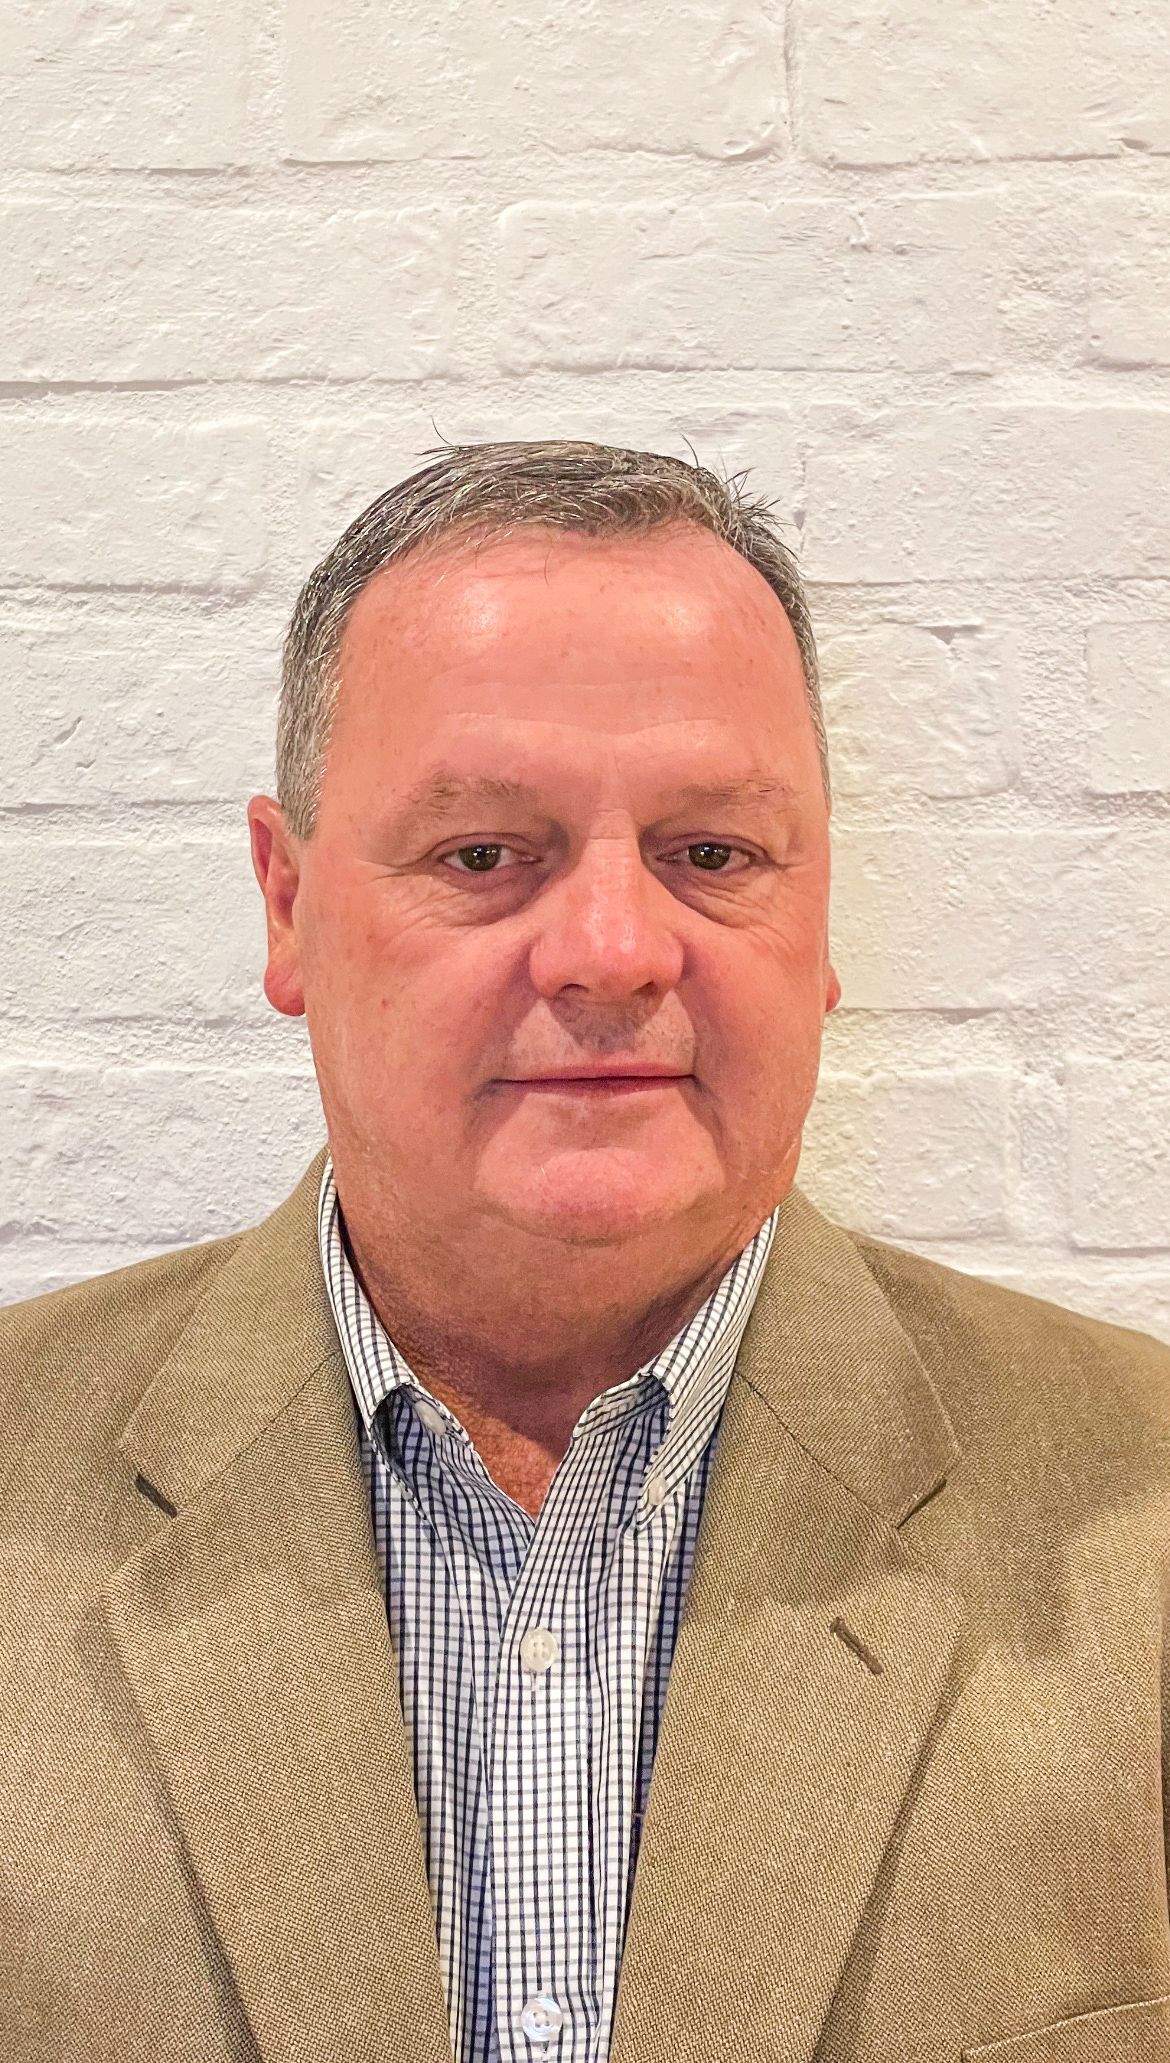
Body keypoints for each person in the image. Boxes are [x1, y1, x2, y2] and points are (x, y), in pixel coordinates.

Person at [2, 440, 1168, 2063]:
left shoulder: (1139, 1515)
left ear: (818, 909)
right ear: (285, 905)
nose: (614, 952)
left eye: (712, 855)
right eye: (484, 855)